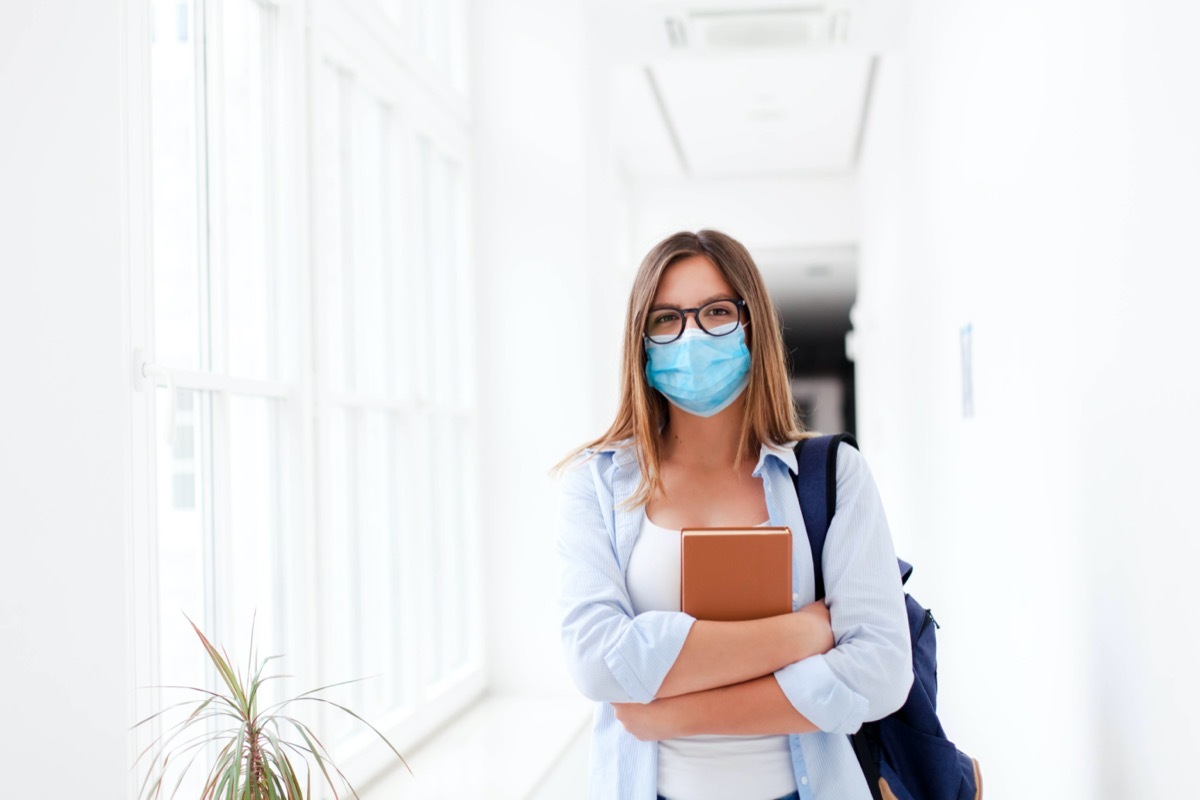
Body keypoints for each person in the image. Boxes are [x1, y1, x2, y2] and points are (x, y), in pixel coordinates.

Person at [552, 229, 914, 800]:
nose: (690, 335)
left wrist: (674, 713)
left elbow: (883, 674)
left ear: (753, 325)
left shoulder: (835, 476)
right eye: (666, 318)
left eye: (716, 311)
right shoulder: (595, 485)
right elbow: (598, 663)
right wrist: (804, 631)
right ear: (640, 341)